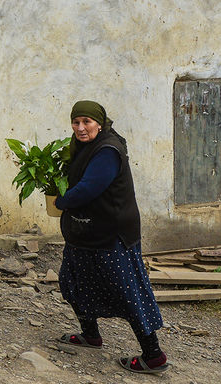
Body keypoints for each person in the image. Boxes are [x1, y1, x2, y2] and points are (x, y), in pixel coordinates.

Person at [53, 100, 169, 374]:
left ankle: (153, 355)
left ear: (100, 123)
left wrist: (61, 201)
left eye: (87, 122)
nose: (80, 128)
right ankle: (90, 335)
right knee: (73, 281)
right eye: (76, 121)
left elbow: (88, 188)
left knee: (126, 292)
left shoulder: (107, 150)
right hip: (86, 230)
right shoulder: (83, 145)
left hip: (111, 233)